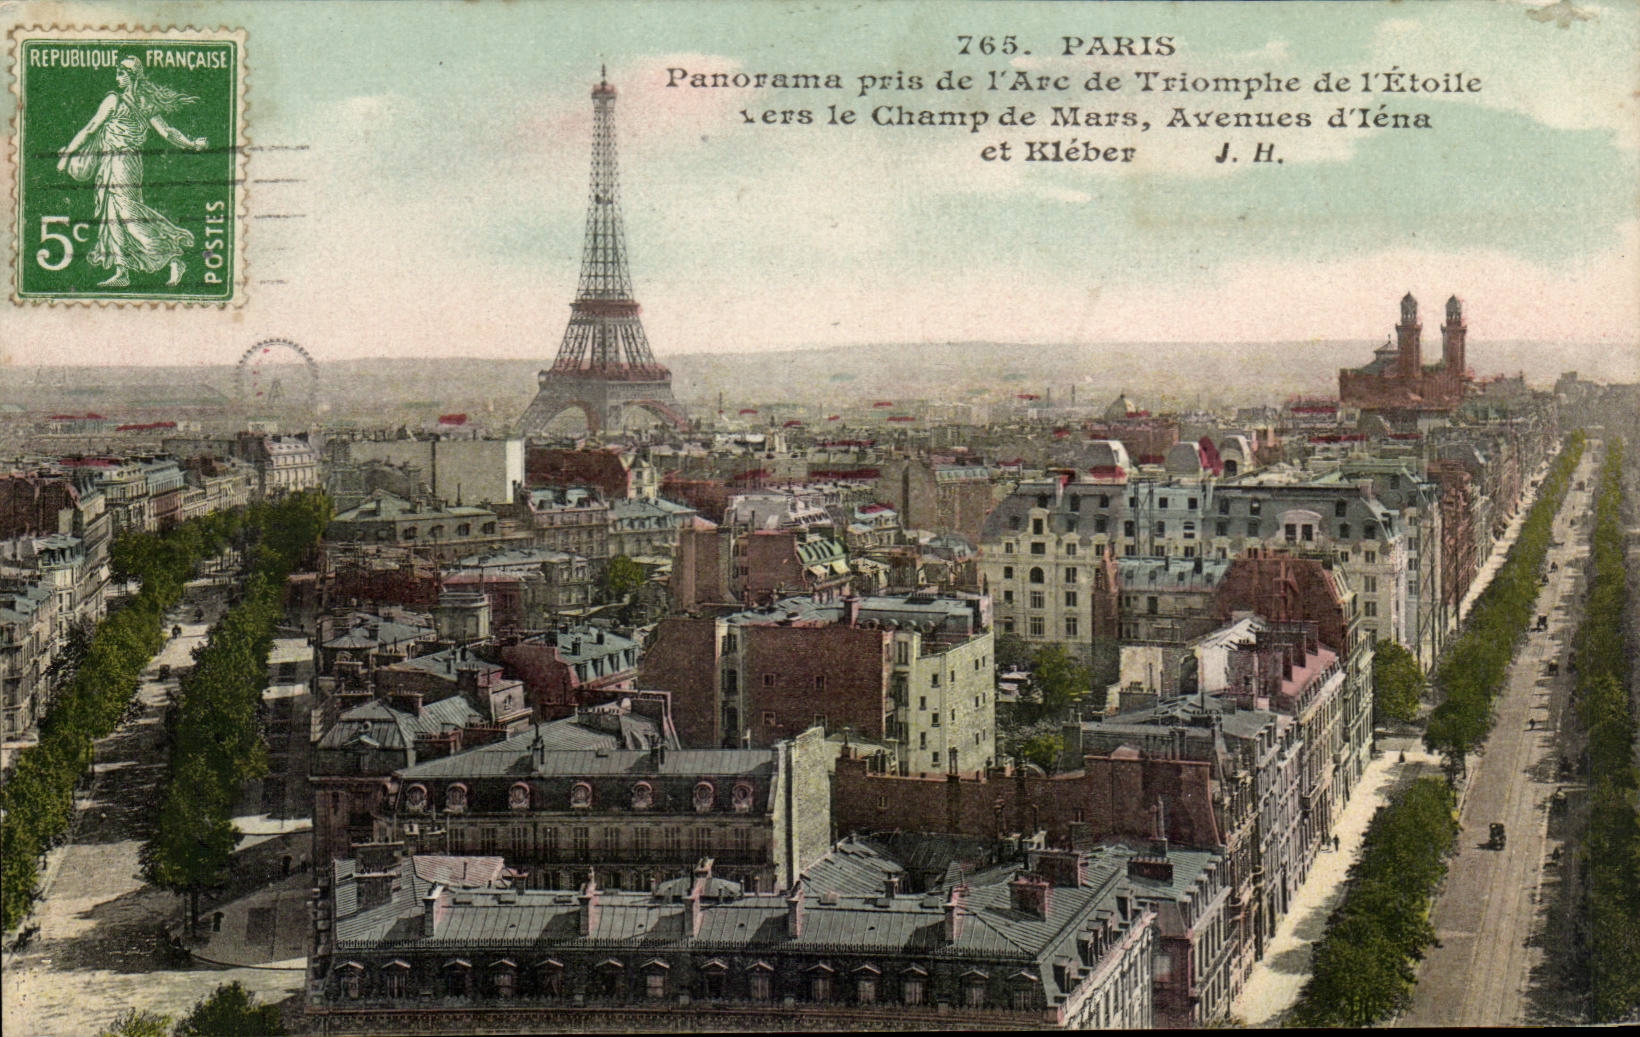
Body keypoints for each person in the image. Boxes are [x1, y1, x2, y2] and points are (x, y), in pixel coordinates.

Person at [56, 55, 207, 287]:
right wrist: (191, 144)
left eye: (121, 74)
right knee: (112, 215)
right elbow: (167, 132)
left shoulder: (119, 101)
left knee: (128, 214)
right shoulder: (139, 102)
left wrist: (66, 156)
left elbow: (90, 129)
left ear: (132, 76)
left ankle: (172, 257)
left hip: (124, 163)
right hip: (114, 163)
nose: (117, 78)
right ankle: (122, 271)